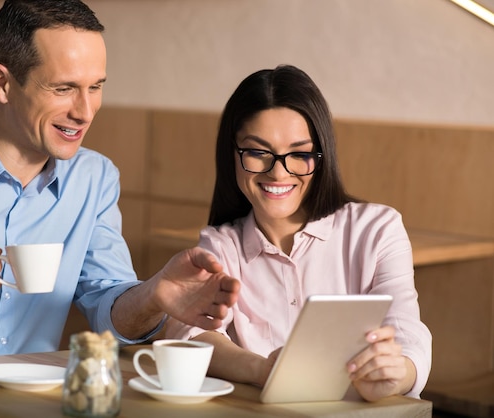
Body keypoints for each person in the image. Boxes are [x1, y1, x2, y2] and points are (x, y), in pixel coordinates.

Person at [0, 0, 239, 378]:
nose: (86, 111)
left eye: (95, 87)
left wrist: (155, 295)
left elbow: (110, 313)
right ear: (3, 82)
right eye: (64, 88)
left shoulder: (94, 179)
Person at [165, 65, 432, 402]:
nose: (279, 172)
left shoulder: (377, 230)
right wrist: (263, 370)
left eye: (300, 153)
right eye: (258, 152)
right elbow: (193, 335)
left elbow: (407, 330)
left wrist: (399, 373)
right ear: (232, 154)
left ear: (322, 156)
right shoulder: (221, 245)